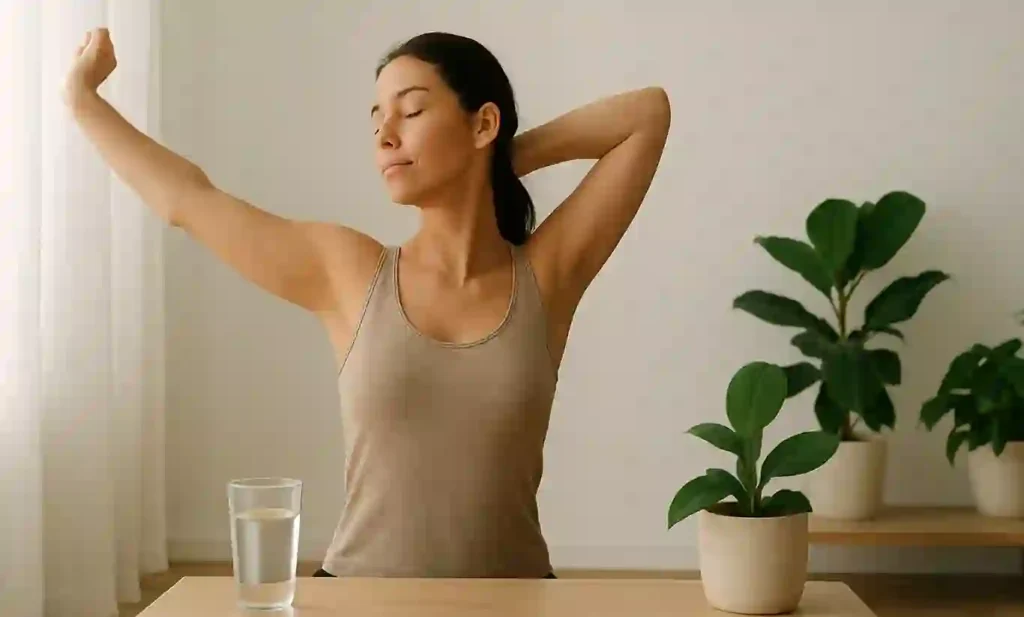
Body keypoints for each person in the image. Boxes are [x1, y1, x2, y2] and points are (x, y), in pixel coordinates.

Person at [64, 28, 671, 579]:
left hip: (514, 600)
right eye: (377, 117)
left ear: (483, 124)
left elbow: (646, 115)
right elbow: (188, 202)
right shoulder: (349, 272)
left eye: (410, 110)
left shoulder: (545, 277)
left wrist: (497, 160)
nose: (385, 135)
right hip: (359, 597)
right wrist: (82, 100)